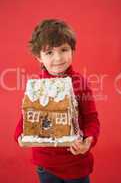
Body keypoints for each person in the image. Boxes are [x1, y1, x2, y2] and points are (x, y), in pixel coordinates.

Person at [14, 19, 100, 183]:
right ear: (38, 57)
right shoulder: (36, 86)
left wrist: (88, 141)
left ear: (72, 51)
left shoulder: (80, 84)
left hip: (76, 163)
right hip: (45, 165)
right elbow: (27, 116)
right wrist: (19, 135)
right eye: (49, 53)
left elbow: (91, 119)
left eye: (64, 49)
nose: (58, 57)